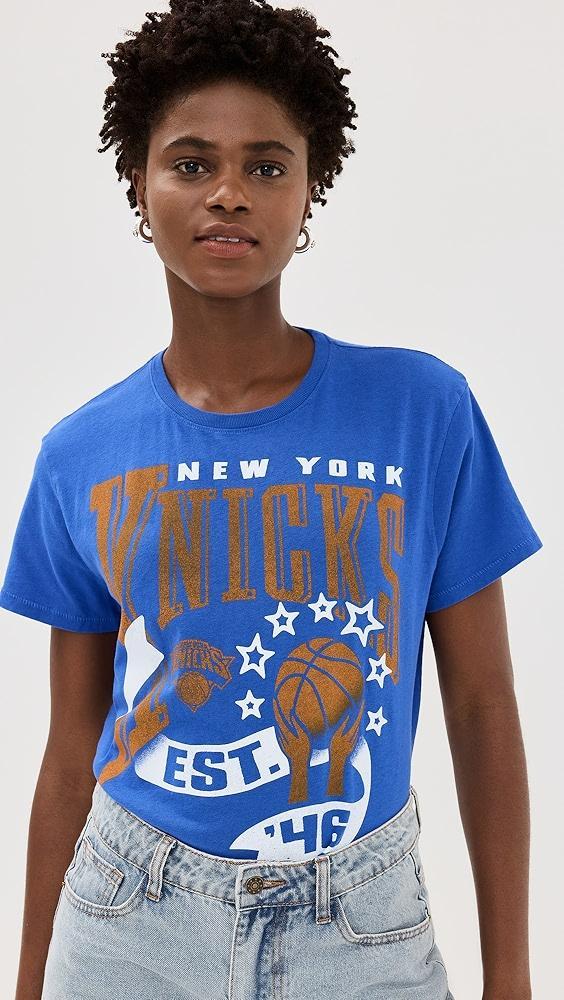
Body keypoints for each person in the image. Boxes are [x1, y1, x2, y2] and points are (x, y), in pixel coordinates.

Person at [0, 2, 542, 998]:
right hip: (128, 919)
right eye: (192, 163)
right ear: (140, 183)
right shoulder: (80, 453)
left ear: (308, 188)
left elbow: (482, 701)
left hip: (362, 923)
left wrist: (511, 976)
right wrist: (27, 981)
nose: (229, 194)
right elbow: (71, 744)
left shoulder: (422, 412)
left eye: (266, 165)